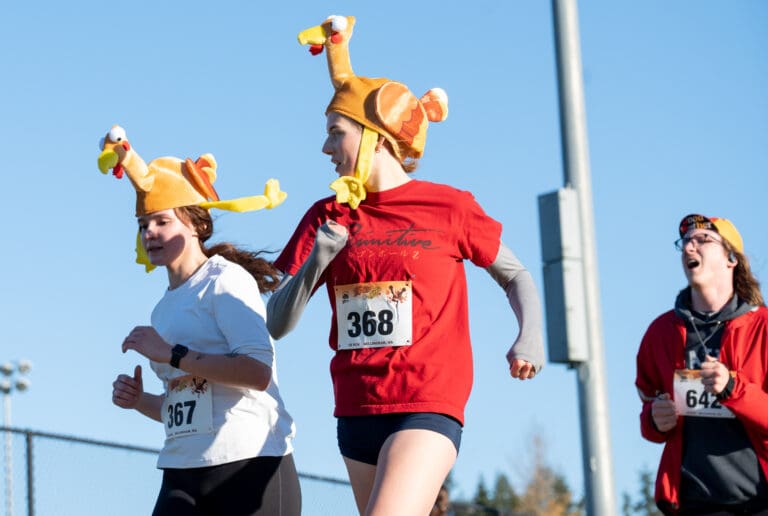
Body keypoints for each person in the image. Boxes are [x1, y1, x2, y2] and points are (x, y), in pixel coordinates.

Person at [267, 15, 544, 515]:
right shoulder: (325, 216)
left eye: (336, 133)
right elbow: (277, 323)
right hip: (355, 408)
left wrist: (530, 335)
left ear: (374, 135)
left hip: (427, 401)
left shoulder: (450, 207)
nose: (326, 148)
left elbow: (516, 275)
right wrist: (318, 259)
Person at [99, 125, 301, 516]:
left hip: (249, 465)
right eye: (144, 226)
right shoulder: (163, 307)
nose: (150, 233)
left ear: (196, 225)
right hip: (182, 470)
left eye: (162, 221)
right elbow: (190, 402)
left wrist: (172, 354)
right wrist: (141, 401)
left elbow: (257, 373)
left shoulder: (225, 280)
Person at [635, 213, 768, 515]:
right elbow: (649, 409)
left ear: (731, 258)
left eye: (703, 240)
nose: (689, 248)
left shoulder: (763, 327)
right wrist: (656, 420)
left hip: (759, 501)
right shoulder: (660, 333)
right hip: (694, 503)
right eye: (685, 242)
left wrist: (732, 388)